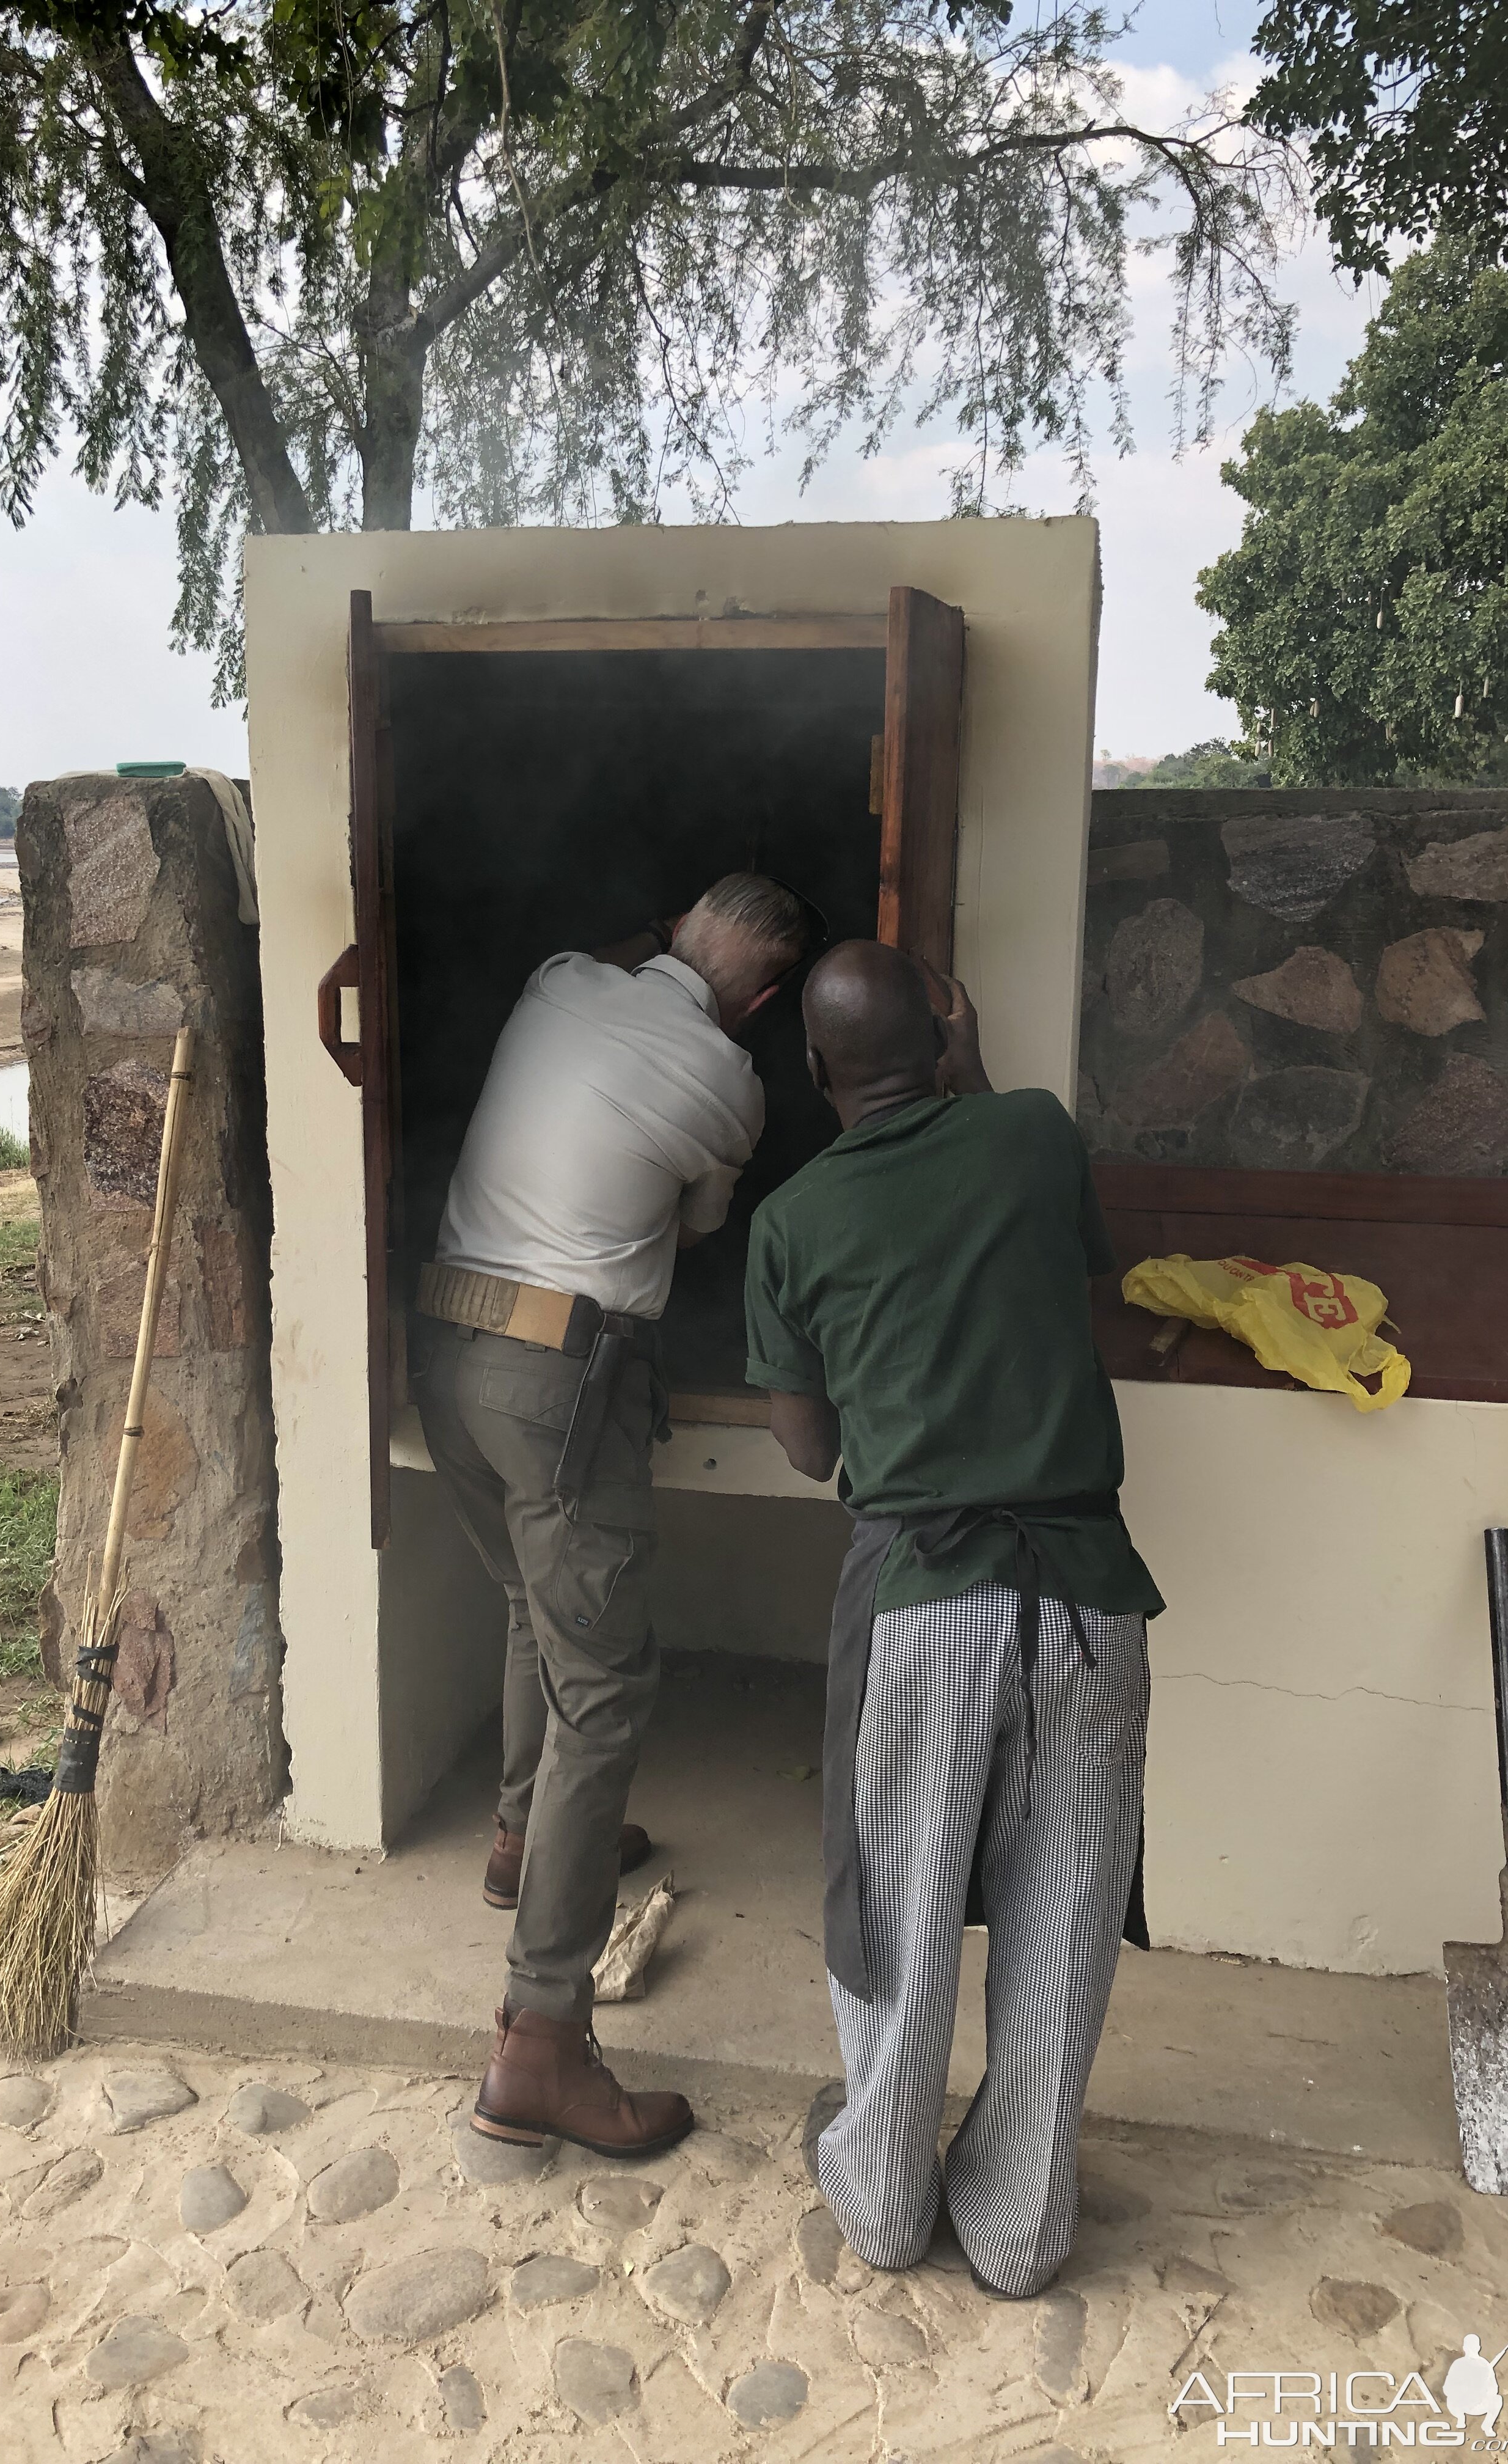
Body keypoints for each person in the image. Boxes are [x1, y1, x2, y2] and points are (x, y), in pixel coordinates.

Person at [745, 940, 1163, 2295]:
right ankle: (1018, 2227)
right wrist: (965, 1058)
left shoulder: (794, 1222)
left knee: (901, 1904)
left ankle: (881, 2194)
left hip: (926, 1601)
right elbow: (1067, 1248)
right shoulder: (1032, 1136)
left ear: (813, 1074)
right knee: (1065, 1916)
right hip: (1091, 1600)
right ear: (943, 1036)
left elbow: (809, 1454)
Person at [415, 873, 817, 2159]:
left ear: (671, 935)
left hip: (448, 1349)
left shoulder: (557, 979)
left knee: (535, 1607)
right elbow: (698, 1225)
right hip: (556, 1382)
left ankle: (518, 1839)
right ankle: (539, 2044)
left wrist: (650, 938)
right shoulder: (731, 1079)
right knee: (606, 1691)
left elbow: (606, 970)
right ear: (761, 1002)